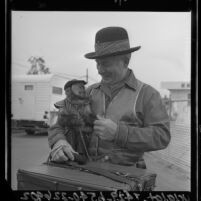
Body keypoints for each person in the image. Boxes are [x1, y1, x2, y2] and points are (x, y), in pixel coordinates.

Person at [48, 26, 171, 168]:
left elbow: (162, 136)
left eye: (105, 63)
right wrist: (59, 142)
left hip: (126, 177)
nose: (99, 70)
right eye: (97, 63)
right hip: (86, 172)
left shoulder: (148, 95)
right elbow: (59, 125)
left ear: (126, 60)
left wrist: (119, 133)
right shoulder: (88, 93)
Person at [48, 79, 95, 162]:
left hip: (88, 146)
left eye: (83, 87)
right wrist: (59, 141)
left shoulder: (88, 103)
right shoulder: (63, 105)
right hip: (69, 143)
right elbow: (56, 126)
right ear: (69, 90)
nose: (82, 90)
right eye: (79, 87)